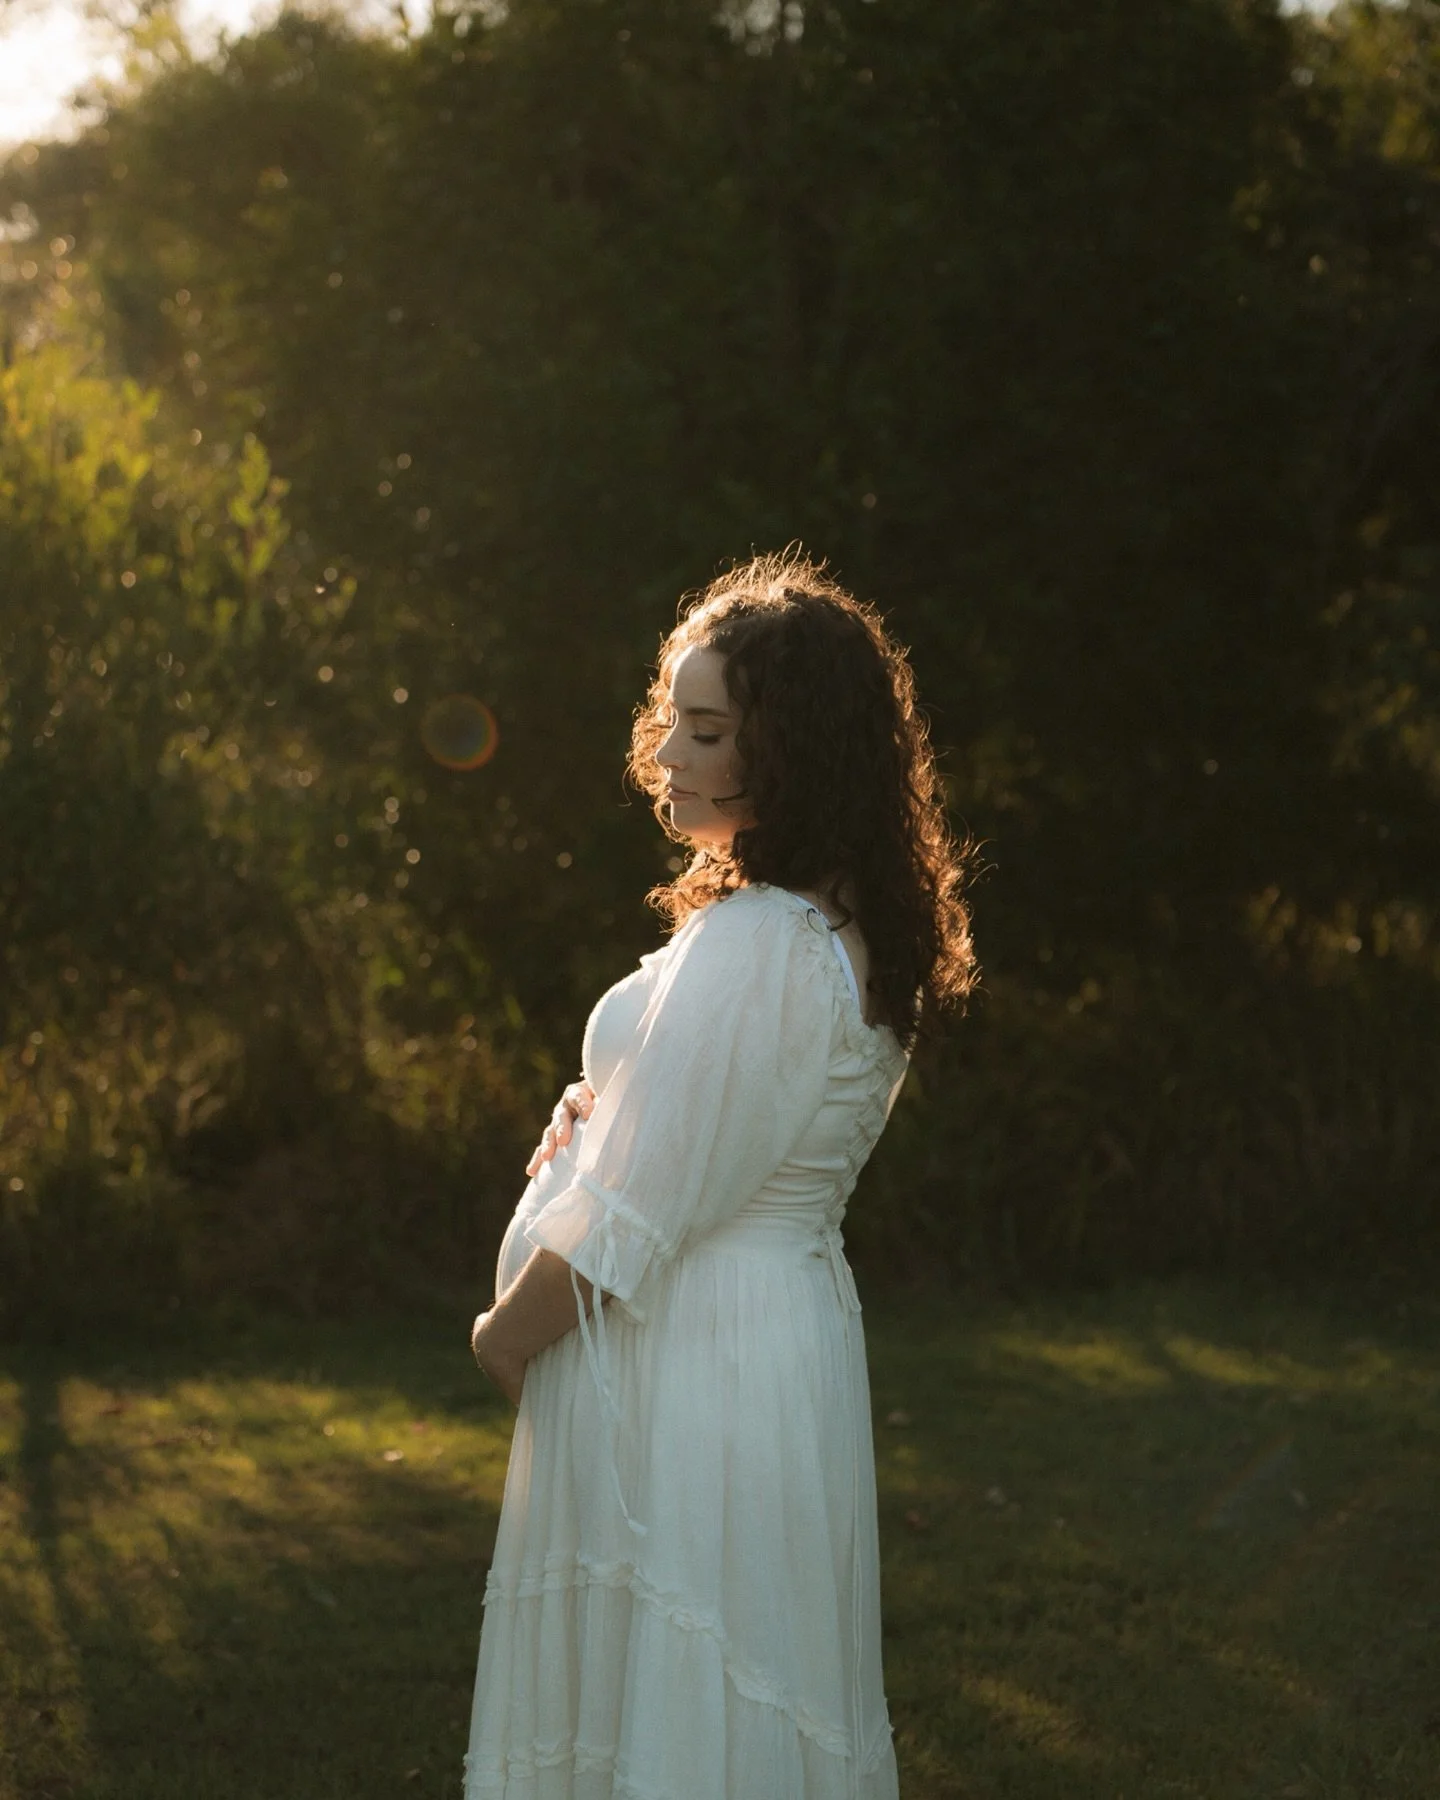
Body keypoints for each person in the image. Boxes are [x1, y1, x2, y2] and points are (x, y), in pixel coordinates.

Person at [465, 551, 978, 1800]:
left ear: (790, 750)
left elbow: (627, 1230)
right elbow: (697, 1152)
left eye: (706, 731)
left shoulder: (756, 944)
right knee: (742, 1689)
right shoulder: (855, 938)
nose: (667, 757)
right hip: (780, 1346)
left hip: (686, 1358)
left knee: (681, 1693)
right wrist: (588, 1136)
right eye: (669, 723)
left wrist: (501, 1335)